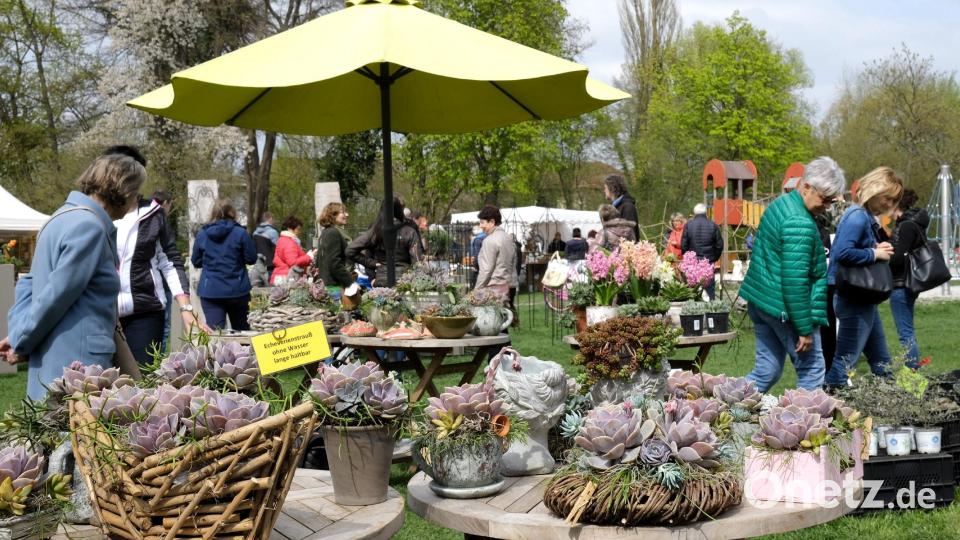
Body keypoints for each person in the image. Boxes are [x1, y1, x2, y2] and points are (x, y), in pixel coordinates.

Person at [1, 152, 146, 400]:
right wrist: (21, 340)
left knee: (55, 436)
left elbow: (28, 285)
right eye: (136, 193)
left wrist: (17, 336)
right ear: (122, 189)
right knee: (76, 437)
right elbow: (55, 296)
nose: (136, 201)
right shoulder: (89, 227)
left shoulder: (58, 219)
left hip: (53, 359)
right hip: (78, 365)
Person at [740, 156, 845, 392]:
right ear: (806, 186)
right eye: (824, 198)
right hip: (785, 308)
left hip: (762, 302)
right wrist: (804, 329)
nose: (827, 205)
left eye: (831, 200)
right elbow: (794, 282)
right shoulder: (799, 222)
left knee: (766, 370)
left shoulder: (782, 204)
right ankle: (801, 425)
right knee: (813, 369)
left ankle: (722, 406)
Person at [113, 149, 202, 364]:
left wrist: (186, 309)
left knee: (141, 380)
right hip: (103, 312)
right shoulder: (94, 214)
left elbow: (169, 261)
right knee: (101, 383)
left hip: (145, 309)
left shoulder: (153, 213)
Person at [824, 166, 903, 388]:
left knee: (881, 360)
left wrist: (876, 247)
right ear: (874, 191)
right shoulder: (857, 217)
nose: (889, 205)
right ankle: (829, 408)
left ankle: (915, 399)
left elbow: (853, 248)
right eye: (888, 198)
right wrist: (875, 253)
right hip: (853, 299)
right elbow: (842, 253)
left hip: (863, 299)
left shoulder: (863, 217)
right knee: (844, 361)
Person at [191, 199, 257, 331]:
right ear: (232, 213)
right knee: (242, 333)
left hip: (211, 290)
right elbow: (251, 258)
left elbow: (196, 261)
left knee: (216, 335)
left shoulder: (203, 234)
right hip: (238, 289)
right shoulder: (240, 233)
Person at [889, 188, 927, 367]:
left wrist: (883, 253)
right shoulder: (914, 223)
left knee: (905, 334)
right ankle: (913, 382)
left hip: (901, 284)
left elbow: (898, 258)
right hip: (908, 283)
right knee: (908, 331)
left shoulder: (906, 226)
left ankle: (912, 383)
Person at [346, 196, 424, 284]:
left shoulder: (375, 231)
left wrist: (372, 264)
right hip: (404, 281)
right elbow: (417, 261)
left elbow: (350, 250)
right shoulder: (409, 231)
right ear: (400, 210)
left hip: (381, 280)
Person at [474, 206, 518, 300]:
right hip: (511, 287)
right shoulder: (509, 239)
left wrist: (477, 291)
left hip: (495, 288)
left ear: (492, 222)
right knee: (509, 313)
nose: (480, 226)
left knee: (490, 314)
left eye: (482, 222)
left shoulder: (489, 241)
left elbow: (486, 270)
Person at [681, 203, 723, 299]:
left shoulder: (688, 225)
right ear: (706, 213)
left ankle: (694, 311)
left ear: (694, 213)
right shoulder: (713, 225)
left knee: (693, 289)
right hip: (708, 262)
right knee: (709, 289)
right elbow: (719, 245)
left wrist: (687, 258)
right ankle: (711, 311)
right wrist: (714, 258)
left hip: (692, 263)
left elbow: (684, 244)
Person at [314, 202, 354, 290]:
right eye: (343, 212)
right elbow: (334, 263)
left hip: (327, 284)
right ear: (333, 215)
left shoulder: (325, 232)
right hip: (334, 286)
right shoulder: (333, 233)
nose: (347, 215)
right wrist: (351, 283)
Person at [271, 216, 314, 284]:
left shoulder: (282, 240)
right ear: (290, 229)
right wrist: (309, 256)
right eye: (298, 229)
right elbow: (292, 262)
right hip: (288, 278)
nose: (299, 232)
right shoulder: (289, 242)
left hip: (282, 276)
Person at [604, 174, 639, 239]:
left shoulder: (628, 207)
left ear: (612, 188)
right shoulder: (615, 207)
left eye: (605, 188)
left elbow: (630, 235)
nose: (604, 191)